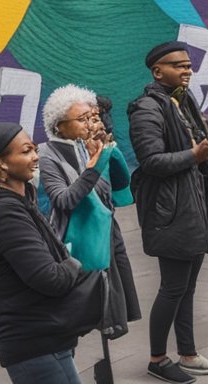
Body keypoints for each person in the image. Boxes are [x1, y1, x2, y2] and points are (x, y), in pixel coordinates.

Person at [0, 122, 103, 383]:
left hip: (48, 336)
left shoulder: (22, 200)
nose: (35, 157)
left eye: (33, 148)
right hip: (33, 344)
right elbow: (51, 278)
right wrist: (72, 262)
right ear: (1, 164)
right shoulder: (6, 212)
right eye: (26, 151)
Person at [128, 41, 208, 382]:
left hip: (194, 203)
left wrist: (206, 147)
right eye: (179, 65)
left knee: (187, 287)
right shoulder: (146, 108)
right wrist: (194, 155)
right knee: (172, 287)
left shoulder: (184, 101)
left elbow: (190, 150)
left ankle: (188, 353)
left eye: (189, 65)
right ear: (158, 71)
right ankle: (157, 359)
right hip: (171, 211)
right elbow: (151, 161)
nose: (188, 70)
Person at [38, 85, 141, 334]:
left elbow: (117, 186)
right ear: (58, 125)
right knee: (76, 311)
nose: (90, 124)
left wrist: (108, 150)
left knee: (109, 301)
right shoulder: (46, 155)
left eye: (92, 117)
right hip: (72, 238)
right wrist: (95, 166)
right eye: (82, 119)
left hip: (102, 231)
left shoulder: (86, 147)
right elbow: (64, 200)